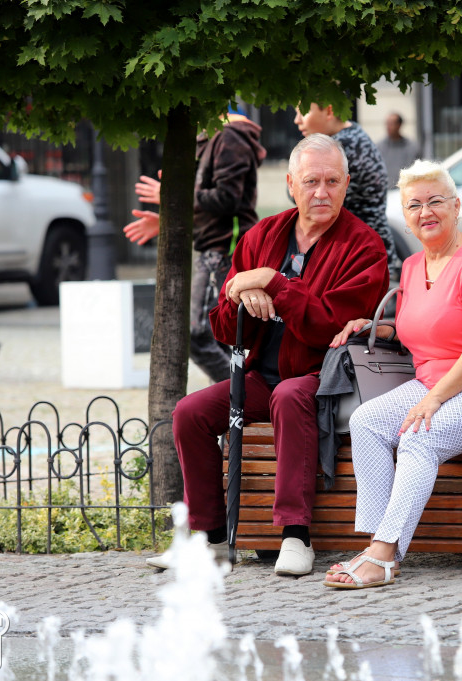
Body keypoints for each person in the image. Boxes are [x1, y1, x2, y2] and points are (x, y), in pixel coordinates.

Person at [161, 134, 389, 576]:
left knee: (290, 395)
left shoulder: (365, 247)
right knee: (190, 411)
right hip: (260, 376)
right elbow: (225, 328)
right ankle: (207, 540)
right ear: (290, 183)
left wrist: (273, 283)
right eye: (310, 181)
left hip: (322, 376)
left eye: (331, 181)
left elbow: (328, 326)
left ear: (346, 184)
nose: (321, 192)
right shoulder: (262, 234)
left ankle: (295, 536)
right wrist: (240, 294)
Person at [324, 159, 462, 589]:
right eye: (414, 205)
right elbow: (417, 332)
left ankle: (383, 555)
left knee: (420, 434)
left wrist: (434, 399)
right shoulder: (411, 268)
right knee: (366, 422)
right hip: (436, 382)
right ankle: (378, 545)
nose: (426, 212)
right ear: (404, 218)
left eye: (436, 201)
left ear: (456, 206)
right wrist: (374, 327)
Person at [123, 111, 266, 384]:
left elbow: (227, 199)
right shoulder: (213, 136)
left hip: (225, 249)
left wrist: (174, 195)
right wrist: (168, 216)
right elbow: (212, 206)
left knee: (196, 334)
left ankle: (242, 397)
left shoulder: (229, 135)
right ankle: (237, 408)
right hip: (216, 248)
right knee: (218, 335)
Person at [294, 102, 400, 280]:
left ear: (329, 110)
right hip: (365, 253)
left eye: (302, 112)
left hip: (360, 259)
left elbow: (299, 197)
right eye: (312, 180)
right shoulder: (354, 134)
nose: (297, 120)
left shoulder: (341, 147)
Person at [376, 113, 420, 189]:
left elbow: (417, 170)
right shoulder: (379, 147)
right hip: (386, 192)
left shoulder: (412, 147)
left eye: (391, 124)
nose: (388, 127)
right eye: (387, 123)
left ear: (399, 125)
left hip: (406, 190)